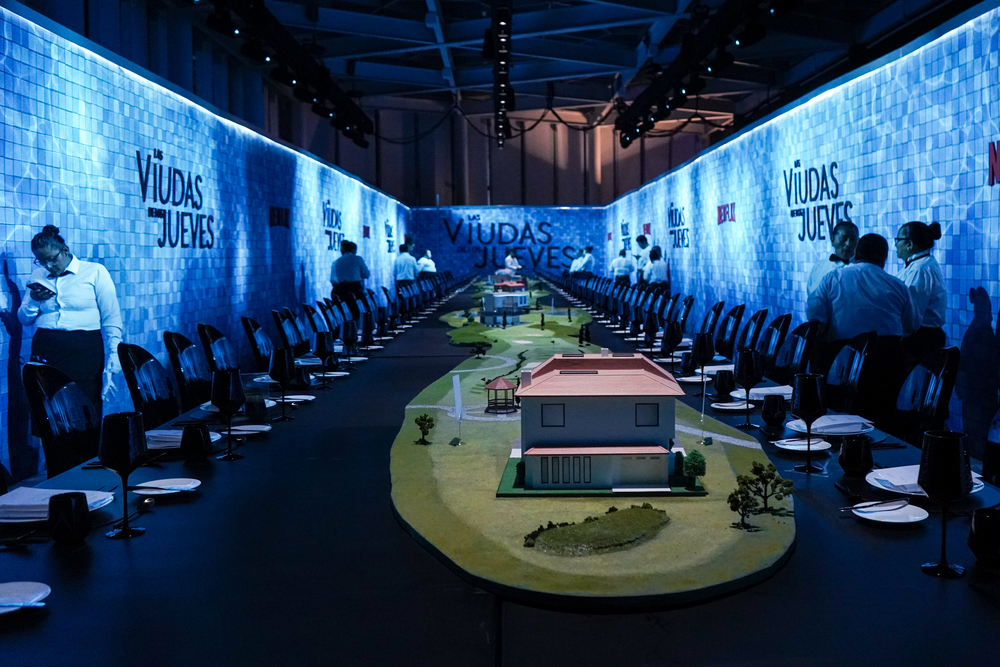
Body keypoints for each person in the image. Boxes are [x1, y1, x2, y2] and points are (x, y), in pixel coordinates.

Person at [807, 234, 919, 422]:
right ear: (884, 258)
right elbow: (912, 325)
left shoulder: (833, 278)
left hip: (842, 359)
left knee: (840, 415)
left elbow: (815, 316)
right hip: (887, 361)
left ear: (856, 254)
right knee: (882, 417)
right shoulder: (898, 285)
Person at [18, 225, 123, 412]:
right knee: (46, 408)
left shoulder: (94, 271)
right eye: (41, 261)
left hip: (84, 348)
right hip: (46, 345)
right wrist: (33, 300)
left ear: (65, 250)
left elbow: (111, 317)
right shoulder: (38, 275)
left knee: (84, 407)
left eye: (52, 259)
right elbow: (24, 319)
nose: (48, 266)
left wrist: (114, 355)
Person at [895, 221, 947, 362]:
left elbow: (912, 317)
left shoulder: (920, 270)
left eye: (898, 240)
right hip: (923, 338)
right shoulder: (921, 264)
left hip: (920, 342)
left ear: (909, 244)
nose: (896, 245)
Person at [807, 221, 858, 294]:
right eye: (843, 239)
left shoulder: (862, 270)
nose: (848, 244)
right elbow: (811, 293)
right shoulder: (819, 267)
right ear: (832, 240)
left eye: (852, 239)